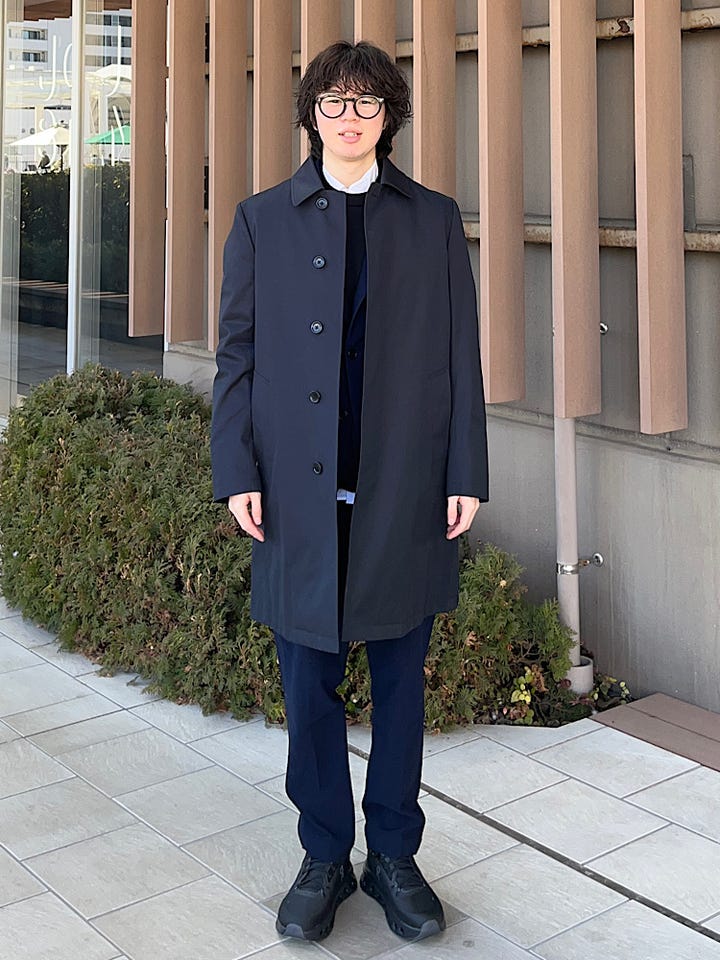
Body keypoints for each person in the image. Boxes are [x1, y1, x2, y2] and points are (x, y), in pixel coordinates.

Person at [211, 40, 488, 943]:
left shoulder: (434, 218)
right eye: (333, 101)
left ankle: (395, 856)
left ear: (389, 117)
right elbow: (237, 358)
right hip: (297, 496)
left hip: (404, 487)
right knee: (309, 687)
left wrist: (465, 473)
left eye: (367, 102)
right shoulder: (262, 220)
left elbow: (461, 357)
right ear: (310, 114)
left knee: (402, 685)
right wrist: (236, 471)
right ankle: (324, 854)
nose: (349, 117)